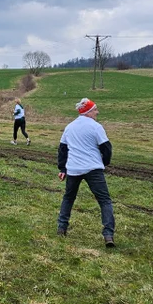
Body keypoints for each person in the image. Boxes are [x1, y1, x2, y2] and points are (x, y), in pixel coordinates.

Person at [56, 98, 115, 247]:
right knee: (104, 200)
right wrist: (104, 163)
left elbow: (62, 149)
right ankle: (108, 235)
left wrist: (63, 168)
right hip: (93, 169)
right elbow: (106, 148)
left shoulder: (69, 127)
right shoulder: (96, 127)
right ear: (88, 112)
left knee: (68, 198)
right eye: (95, 109)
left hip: (74, 169)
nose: (97, 112)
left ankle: (61, 228)